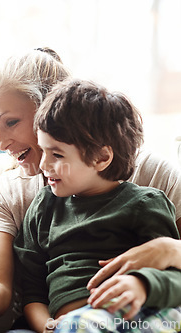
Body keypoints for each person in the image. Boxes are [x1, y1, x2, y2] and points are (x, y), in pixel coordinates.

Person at [0, 48, 181, 326]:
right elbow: (9, 289)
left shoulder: (150, 181)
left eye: (11, 122)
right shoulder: (22, 198)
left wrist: (169, 249)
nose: (1, 144)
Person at [14, 78, 181, 333]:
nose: (44, 165)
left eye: (57, 154)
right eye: (43, 150)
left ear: (102, 157)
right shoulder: (43, 208)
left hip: (128, 317)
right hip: (64, 326)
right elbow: (32, 289)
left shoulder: (145, 204)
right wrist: (46, 326)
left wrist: (142, 285)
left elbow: (175, 277)